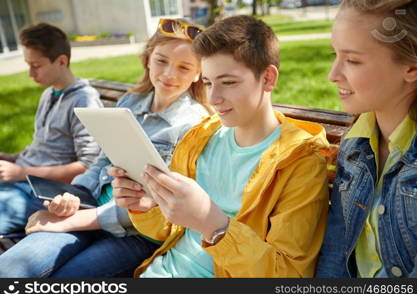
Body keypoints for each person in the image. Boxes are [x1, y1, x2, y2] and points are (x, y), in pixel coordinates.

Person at [111, 15, 330, 278]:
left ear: (268, 79)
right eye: (208, 83)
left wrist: (213, 224)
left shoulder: (300, 161)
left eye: (228, 83)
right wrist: (147, 205)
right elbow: (169, 230)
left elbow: (287, 275)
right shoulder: (201, 137)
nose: (214, 98)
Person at [0, 18, 211, 278]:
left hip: (136, 232)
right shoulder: (131, 102)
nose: (169, 74)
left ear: (199, 73)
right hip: (87, 207)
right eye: (161, 61)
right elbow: (101, 162)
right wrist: (72, 195)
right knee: (10, 270)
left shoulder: (195, 124)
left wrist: (77, 219)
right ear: (148, 59)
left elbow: (163, 201)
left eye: (184, 67)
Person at [316, 0, 417, 278]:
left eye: (352, 60)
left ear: (411, 67)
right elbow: (336, 253)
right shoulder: (354, 145)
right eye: (334, 55)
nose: (332, 75)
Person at [0, 23, 102, 235]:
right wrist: (11, 158)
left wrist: (21, 173)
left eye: (36, 65)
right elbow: (43, 147)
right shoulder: (49, 94)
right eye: (28, 64)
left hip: (38, 191)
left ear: (61, 61)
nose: (30, 73)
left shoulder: (84, 100)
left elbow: (87, 166)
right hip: (20, 180)